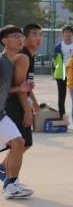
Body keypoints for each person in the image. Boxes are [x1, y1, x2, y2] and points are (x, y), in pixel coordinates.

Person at [2, 24, 41, 179]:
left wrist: (34, 102)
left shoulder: (26, 56)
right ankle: (8, 176)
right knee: (19, 143)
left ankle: (6, 174)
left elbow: (24, 85)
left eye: (40, 34)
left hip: (11, 106)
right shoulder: (21, 57)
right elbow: (19, 87)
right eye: (34, 34)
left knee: (21, 143)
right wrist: (27, 111)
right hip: (12, 105)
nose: (38, 38)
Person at [0, 25, 33, 199]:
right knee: (18, 143)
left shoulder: (11, 62)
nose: (20, 39)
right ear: (5, 41)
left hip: (1, 114)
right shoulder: (1, 63)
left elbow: (5, 89)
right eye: (15, 36)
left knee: (19, 143)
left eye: (21, 36)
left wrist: (20, 88)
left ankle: (11, 185)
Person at [51, 25, 73, 126]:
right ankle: (62, 119)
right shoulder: (58, 46)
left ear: (72, 34)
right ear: (63, 34)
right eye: (65, 32)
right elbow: (54, 60)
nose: (67, 34)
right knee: (61, 96)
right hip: (62, 74)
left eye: (69, 32)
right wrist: (55, 72)